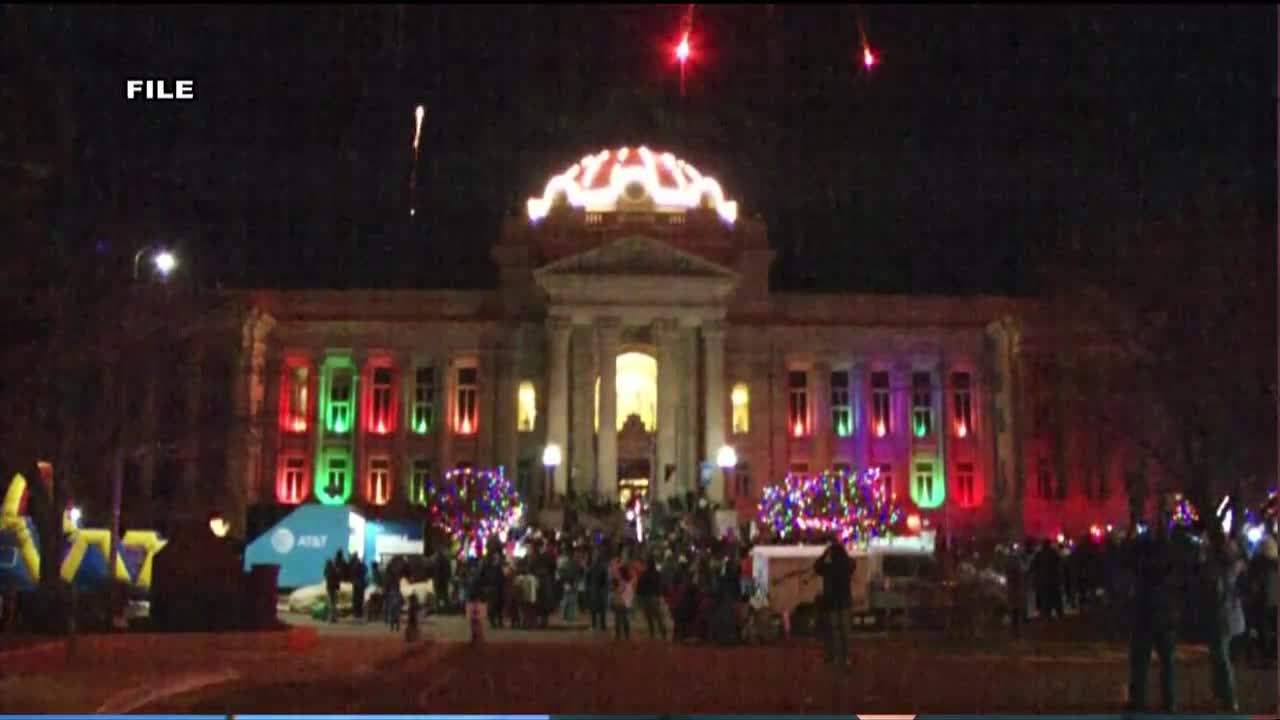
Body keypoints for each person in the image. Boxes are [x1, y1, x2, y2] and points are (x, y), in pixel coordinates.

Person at [1126, 499, 1188, 714]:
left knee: (1141, 661)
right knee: (1166, 662)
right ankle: (1169, 702)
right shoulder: (1176, 548)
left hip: (1147, 611)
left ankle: (1138, 702)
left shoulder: (1145, 548)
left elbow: (1130, 559)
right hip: (1166, 611)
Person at [1204, 527, 1244, 712]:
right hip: (1230, 615)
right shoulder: (1236, 567)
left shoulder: (1222, 571)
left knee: (1221, 658)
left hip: (1223, 616)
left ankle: (1229, 697)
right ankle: (1221, 695)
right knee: (1219, 655)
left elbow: (1217, 592)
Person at [814, 537, 853, 668]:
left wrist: (825, 553)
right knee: (845, 632)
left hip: (831, 602)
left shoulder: (828, 567)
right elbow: (852, 564)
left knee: (834, 631)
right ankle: (846, 658)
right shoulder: (846, 566)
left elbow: (816, 566)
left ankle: (835, 657)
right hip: (844, 601)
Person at [637, 556, 667, 639]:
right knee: (658, 616)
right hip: (655, 596)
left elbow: (639, 587)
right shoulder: (657, 574)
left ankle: (653, 632)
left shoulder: (645, 574)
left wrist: (640, 596)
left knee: (650, 617)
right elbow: (660, 585)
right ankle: (662, 632)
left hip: (647, 597)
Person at [587, 551, 610, 631]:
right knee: (601, 609)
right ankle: (602, 626)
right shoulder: (603, 568)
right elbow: (606, 580)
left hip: (594, 590)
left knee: (594, 609)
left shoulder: (591, 567)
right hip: (600, 591)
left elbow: (587, 578)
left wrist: (589, 587)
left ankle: (594, 625)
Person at [613, 565, 636, 640]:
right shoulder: (630, 581)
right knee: (626, 620)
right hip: (627, 603)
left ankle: (618, 636)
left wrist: (615, 591)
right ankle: (627, 636)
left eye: (618, 572)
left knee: (618, 620)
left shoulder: (622, 582)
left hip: (621, 602)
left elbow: (619, 592)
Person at [350, 552, 367, 621]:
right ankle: (358, 613)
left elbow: (353, 574)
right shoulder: (359, 565)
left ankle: (357, 613)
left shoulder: (354, 565)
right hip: (360, 583)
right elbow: (365, 570)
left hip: (357, 583)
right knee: (359, 598)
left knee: (357, 598)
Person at [323, 558, 341, 623]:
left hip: (330, 588)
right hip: (334, 588)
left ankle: (331, 618)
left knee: (331, 603)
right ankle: (334, 617)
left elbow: (325, 576)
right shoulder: (336, 570)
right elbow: (338, 578)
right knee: (334, 603)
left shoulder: (328, 570)